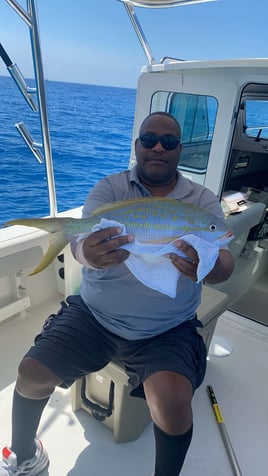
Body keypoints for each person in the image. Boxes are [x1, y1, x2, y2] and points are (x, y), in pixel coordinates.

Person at [0, 112, 234, 476]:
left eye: (169, 142)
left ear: (179, 151)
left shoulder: (199, 201)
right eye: (149, 139)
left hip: (167, 327)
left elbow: (224, 261)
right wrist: (85, 253)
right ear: (137, 145)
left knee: (173, 405)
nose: (158, 147)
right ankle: (26, 456)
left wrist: (208, 269)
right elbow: (79, 241)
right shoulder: (109, 188)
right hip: (95, 316)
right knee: (30, 374)